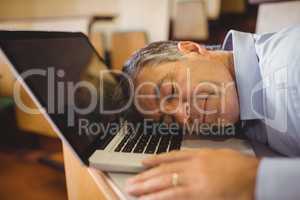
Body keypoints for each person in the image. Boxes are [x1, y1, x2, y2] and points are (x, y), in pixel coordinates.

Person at [122, 26, 300, 200]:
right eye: (170, 120)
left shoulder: (291, 72)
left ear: (192, 49)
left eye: (171, 92)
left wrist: (251, 179)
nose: (184, 118)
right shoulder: (244, 111)